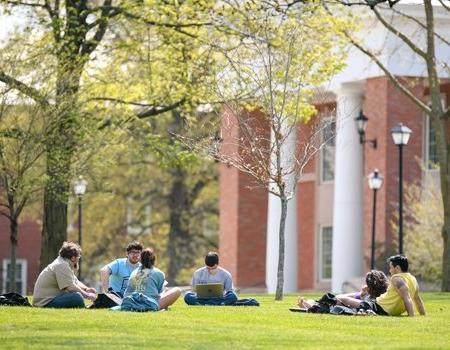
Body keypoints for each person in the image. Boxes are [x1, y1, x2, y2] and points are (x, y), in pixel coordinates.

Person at [336, 255, 426, 317]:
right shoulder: (413, 279)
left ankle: (331, 302)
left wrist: (411, 316)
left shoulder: (396, 279)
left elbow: (407, 298)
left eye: (391, 268)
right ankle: (361, 294)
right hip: (379, 304)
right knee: (361, 295)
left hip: (377, 306)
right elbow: (417, 299)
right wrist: (423, 314)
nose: (390, 271)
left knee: (341, 299)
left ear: (397, 268)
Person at [32, 241, 97, 308]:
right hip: (44, 303)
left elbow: (75, 281)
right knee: (77, 297)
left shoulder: (63, 262)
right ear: (73, 258)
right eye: (78, 257)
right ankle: (86, 308)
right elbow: (70, 287)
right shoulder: (61, 265)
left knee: (77, 295)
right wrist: (87, 295)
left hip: (49, 301)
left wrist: (86, 289)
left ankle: (86, 307)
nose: (78, 260)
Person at [297, 269, 388, 310]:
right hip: (355, 304)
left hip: (354, 307)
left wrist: (360, 294)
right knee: (329, 300)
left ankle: (311, 306)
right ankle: (312, 304)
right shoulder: (379, 296)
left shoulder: (370, 300)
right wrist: (360, 294)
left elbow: (340, 298)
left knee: (332, 300)